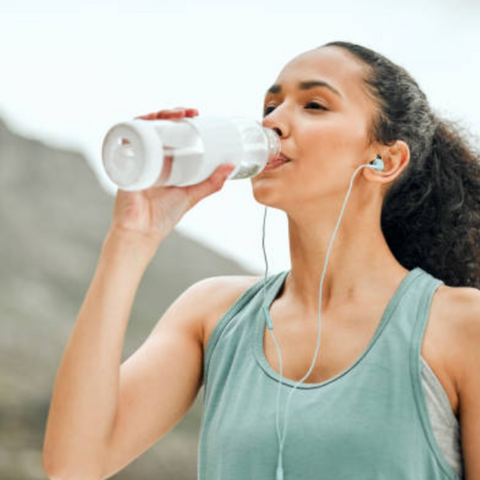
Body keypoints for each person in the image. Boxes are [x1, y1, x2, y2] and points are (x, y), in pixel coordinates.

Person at [42, 42, 480, 480]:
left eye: (314, 104)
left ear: (384, 159)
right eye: (271, 105)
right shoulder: (213, 315)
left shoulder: (462, 327)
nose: (273, 121)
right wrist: (132, 237)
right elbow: (74, 466)